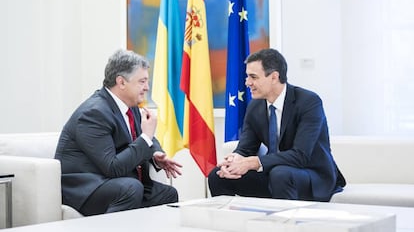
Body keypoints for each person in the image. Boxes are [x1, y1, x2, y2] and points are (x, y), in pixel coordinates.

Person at [55, 49, 182, 216]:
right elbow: (112, 167)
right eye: (142, 82)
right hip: (86, 189)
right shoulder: (93, 114)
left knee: (167, 194)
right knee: (131, 188)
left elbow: (143, 136)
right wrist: (146, 138)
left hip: (115, 182)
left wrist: (155, 153)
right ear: (121, 82)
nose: (147, 88)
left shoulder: (131, 107)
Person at [208, 48, 345, 202]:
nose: (247, 83)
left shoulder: (308, 102)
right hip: (274, 173)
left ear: (274, 77)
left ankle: (283, 225)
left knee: (280, 174)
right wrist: (236, 159)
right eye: (247, 77)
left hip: (311, 175)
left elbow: (301, 156)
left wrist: (254, 162)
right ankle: (230, 224)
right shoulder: (255, 106)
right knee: (218, 175)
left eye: (253, 77)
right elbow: (246, 148)